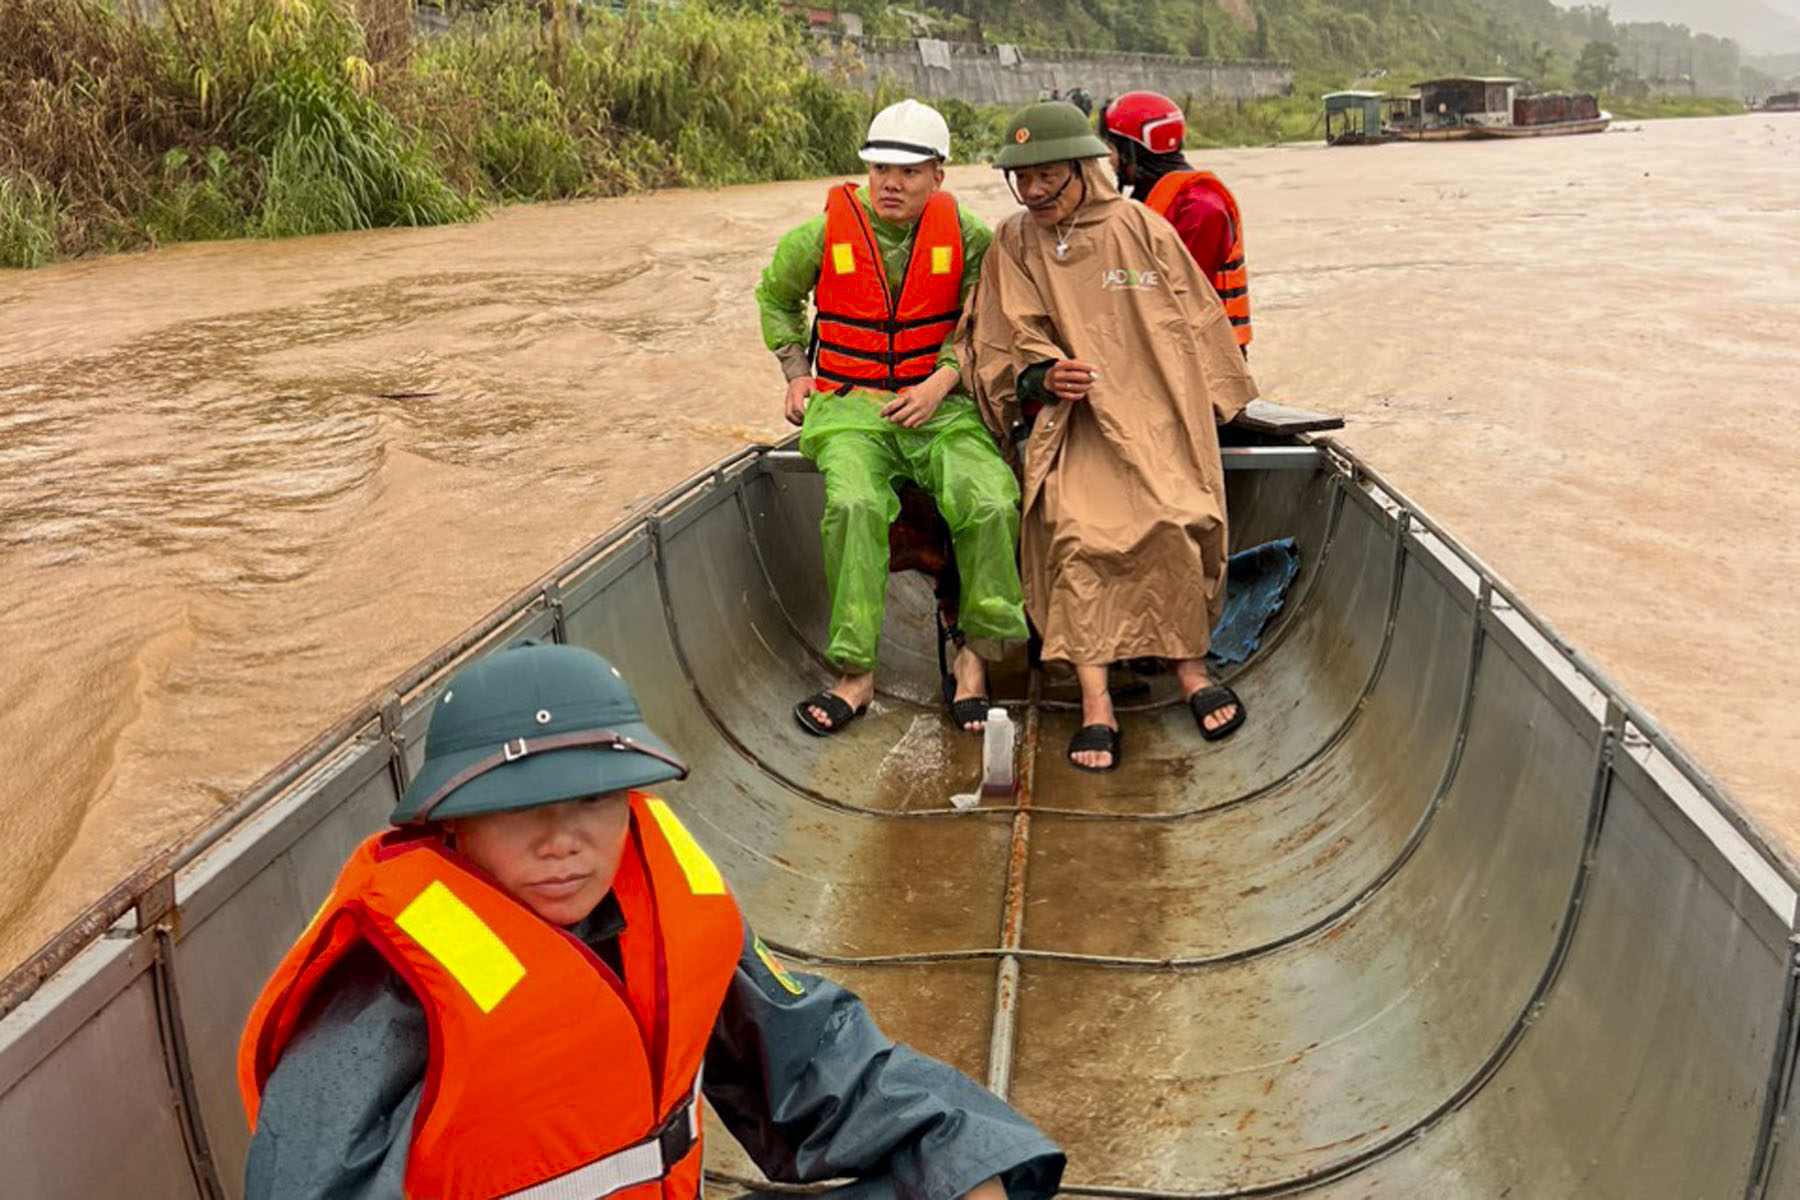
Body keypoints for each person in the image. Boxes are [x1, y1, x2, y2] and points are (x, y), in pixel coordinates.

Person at [238, 641, 1066, 1200]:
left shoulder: (663, 914)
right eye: (516, 808)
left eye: (594, 800)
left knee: (968, 1175)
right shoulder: (384, 994)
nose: (563, 842)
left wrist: (970, 1157)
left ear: (631, 802)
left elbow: (816, 1062)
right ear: (450, 824)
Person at [959, 102, 1258, 772]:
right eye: (1021, 179)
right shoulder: (1014, 241)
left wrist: (1221, 401)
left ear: (1083, 169)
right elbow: (1000, 338)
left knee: (1177, 514)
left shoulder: (1142, 228)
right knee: (1073, 529)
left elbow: (1196, 320)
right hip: (1074, 427)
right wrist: (1039, 378)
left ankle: (1190, 671)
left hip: (1155, 418)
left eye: (1047, 177)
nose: (1033, 192)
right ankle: (1097, 704)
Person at [757, 98, 1027, 737]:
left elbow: (991, 320)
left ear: (939, 175)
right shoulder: (824, 233)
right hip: (850, 409)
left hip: (942, 409)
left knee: (991, 499)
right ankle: (854, 676)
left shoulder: (968, 236)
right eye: (880, 169)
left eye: (908, 172)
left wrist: (943, 380)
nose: (891, 184)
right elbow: (775, 295)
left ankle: (974, 660)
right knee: (852, 505)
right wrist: (798, 375)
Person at [1099, 91, 1252, 354]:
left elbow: (1182, 293)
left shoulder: (1201, 207)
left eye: (1112, 149)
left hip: (1209, 352)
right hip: (1172, 346)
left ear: (1134, 151)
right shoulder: (1149, 198)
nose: (1110, 161)